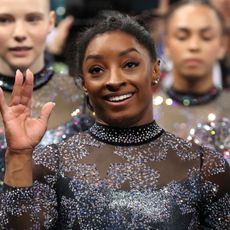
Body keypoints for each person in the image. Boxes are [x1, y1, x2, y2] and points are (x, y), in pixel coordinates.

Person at [0, 11, 229, 229]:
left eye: (130, 65)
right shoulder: (51, 163)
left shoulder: (205, 166)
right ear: (84, 84)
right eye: (97, 69)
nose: (114, 80)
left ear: (155, 70)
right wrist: (19, 156)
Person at [0, 0, 93, 190]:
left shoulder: (83, 95)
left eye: (33, 19)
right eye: (4, 20)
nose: (19, 34)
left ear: (51, 22)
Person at [153, 0, 230, 141]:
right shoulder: (143, 115)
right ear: (167, 45)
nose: (194, 46)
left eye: (206, 37)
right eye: (182, 37)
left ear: (222, 46)